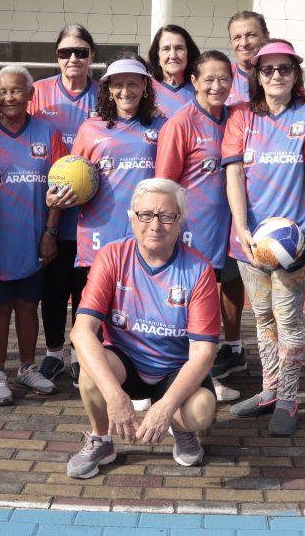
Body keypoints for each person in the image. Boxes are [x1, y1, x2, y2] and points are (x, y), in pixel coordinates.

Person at [66, 178, 219, 479]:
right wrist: (115, 396)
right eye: (145, 215)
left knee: (200, 410)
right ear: (132, 219)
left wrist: (165, 408)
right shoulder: (111, 256)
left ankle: (180, 427)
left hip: (174, 368)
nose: (155, 224)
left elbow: (203, 352)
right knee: (90, 370)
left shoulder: (200, 270)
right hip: (127, 363)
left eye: (167, 216)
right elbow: (81, 331)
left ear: (179, 223)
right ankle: (101, 439)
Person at [223, 39, 305, 436]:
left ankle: (288, 397)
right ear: (256, 75)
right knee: (262, 316)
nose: (276, 76)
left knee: (288, 318)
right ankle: (269, 389)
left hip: (292, 243)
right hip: (250, 241)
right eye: (267, 70)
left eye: (284, 68)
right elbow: (234, 173)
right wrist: (241, 228)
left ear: (296, 74)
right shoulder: (241, 118)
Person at [0, 65, 65, 405]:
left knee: (29, 305)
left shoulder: (47, 132)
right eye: (3, 91)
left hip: (34, 235)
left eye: (16, 90)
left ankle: (27, 368)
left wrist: (50, 232)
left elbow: (60, 187)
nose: (9, 96)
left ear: (30, 95)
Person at [155, 50, 240, 402]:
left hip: (230, 231)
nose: (216, 85)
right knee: (187, 310)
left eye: (223, 78)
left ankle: (205, 374)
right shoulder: (181, 123)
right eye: (208, 79)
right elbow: (164, 183)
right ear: (194, 82)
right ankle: (179, 379)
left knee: (214, 308)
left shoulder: (237, 118)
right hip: (194, 235)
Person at [29, 25, 101, 385]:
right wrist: (49, 223)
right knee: (53, 288)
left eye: (81, 51)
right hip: (49, 212)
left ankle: (83, 355)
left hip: (94, 215)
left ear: (92, 56)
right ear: (55, 56)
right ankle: (54, 353)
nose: (73, 58)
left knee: (86, 290)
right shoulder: (38, 93)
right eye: (65, 52)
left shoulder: (104, 96)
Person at [211, 10, 270, 383]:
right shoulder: (222, 80)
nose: (244, 43)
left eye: (251, 35)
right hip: (218, 195)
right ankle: (223, 346)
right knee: (218, 276)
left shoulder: (278, 74)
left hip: (266, 197)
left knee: (253, 282)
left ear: (266, 36)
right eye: (237, 37)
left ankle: (259, 360)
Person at [70, 57, 166, 272]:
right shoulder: (90, 128)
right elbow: (72, 177)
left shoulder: (163, 126)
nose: (125, 91)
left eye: (132, 83)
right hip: (100, 230)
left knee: (141, 302)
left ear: (144, 87)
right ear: (109, 90)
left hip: (148, 230)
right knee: (98, 303)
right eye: (118, 85)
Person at [148, 25, 199, 118]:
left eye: (179, 48)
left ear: (189, 54)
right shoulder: (145, 88)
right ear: (157, 56)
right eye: (166, 49)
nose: (173, 55)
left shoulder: (201, 89)